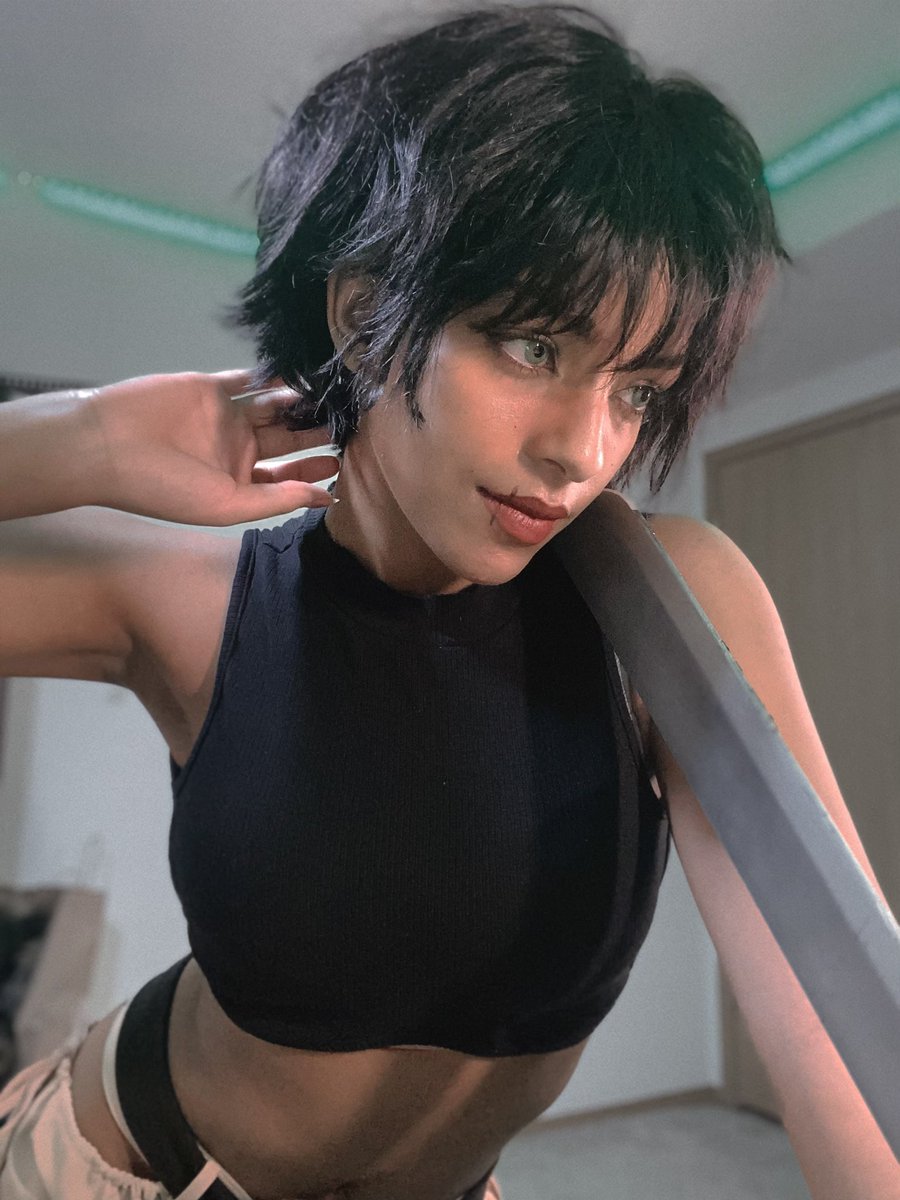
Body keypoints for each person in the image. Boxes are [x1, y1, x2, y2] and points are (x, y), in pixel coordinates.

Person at [0, 4, 896, 1198]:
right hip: (120, 1168)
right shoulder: (196, 600)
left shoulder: (665, 608)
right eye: (533, 346)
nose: (584, 451)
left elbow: (841, 1032)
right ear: (364, 315)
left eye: (637, 390)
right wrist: (85, 438)